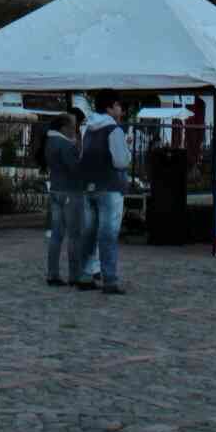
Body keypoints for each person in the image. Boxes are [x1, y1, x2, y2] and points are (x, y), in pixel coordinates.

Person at [73, 90, 131, 295]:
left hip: (89, 187)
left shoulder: (87, 128)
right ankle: (110, 280)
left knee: (88, 234)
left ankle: (85, 275)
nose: (121, 111)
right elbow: (121, 161)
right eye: (118, 106)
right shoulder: (114, 130)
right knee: (108, 235)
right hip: (110, 187)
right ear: (110, 107)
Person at [43, 111, 84, 285]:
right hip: (70, 191)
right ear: (64, 127)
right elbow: (75, 168)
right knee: (74, 235)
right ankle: (75, 275)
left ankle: (52, 273)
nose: (75, 129)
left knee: (56, 235)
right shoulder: (65, 145)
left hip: (56, 189)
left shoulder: (50, 142)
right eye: (73, 127)